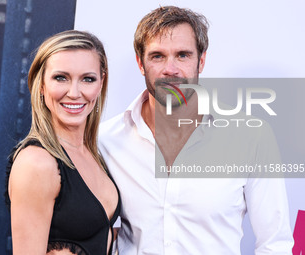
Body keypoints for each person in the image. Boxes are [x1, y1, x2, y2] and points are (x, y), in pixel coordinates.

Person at [99, 6, 293, 254]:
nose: (171, 69)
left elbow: (275, 243)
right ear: (140, 62)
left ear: (201, 60)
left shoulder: (251, 137)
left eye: (182, 55)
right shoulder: (106, 140)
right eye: (157, 56)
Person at [5, 30, 120, 255]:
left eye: (88, 79)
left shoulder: (95, 152)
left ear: (101, 83)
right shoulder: (37, 163)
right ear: (41, 84)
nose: (74, 93)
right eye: (61, 78)